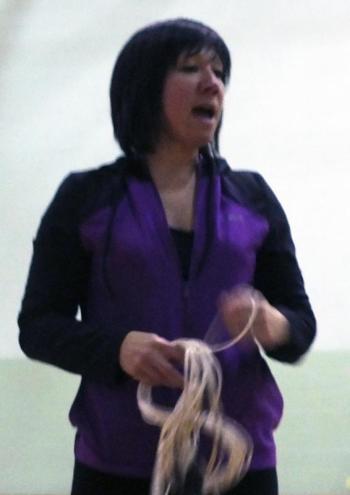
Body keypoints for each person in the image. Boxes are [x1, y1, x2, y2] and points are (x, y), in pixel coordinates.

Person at [18, 18, 316, 495]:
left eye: (219, 71)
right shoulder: (86, 198)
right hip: (117, 463)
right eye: (189, 67)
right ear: (144, 87)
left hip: (239, 461)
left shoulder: (253, 197)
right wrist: (116, 349)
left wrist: (269, 322)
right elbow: (37, 327)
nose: (212, 83)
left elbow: (300, 327)